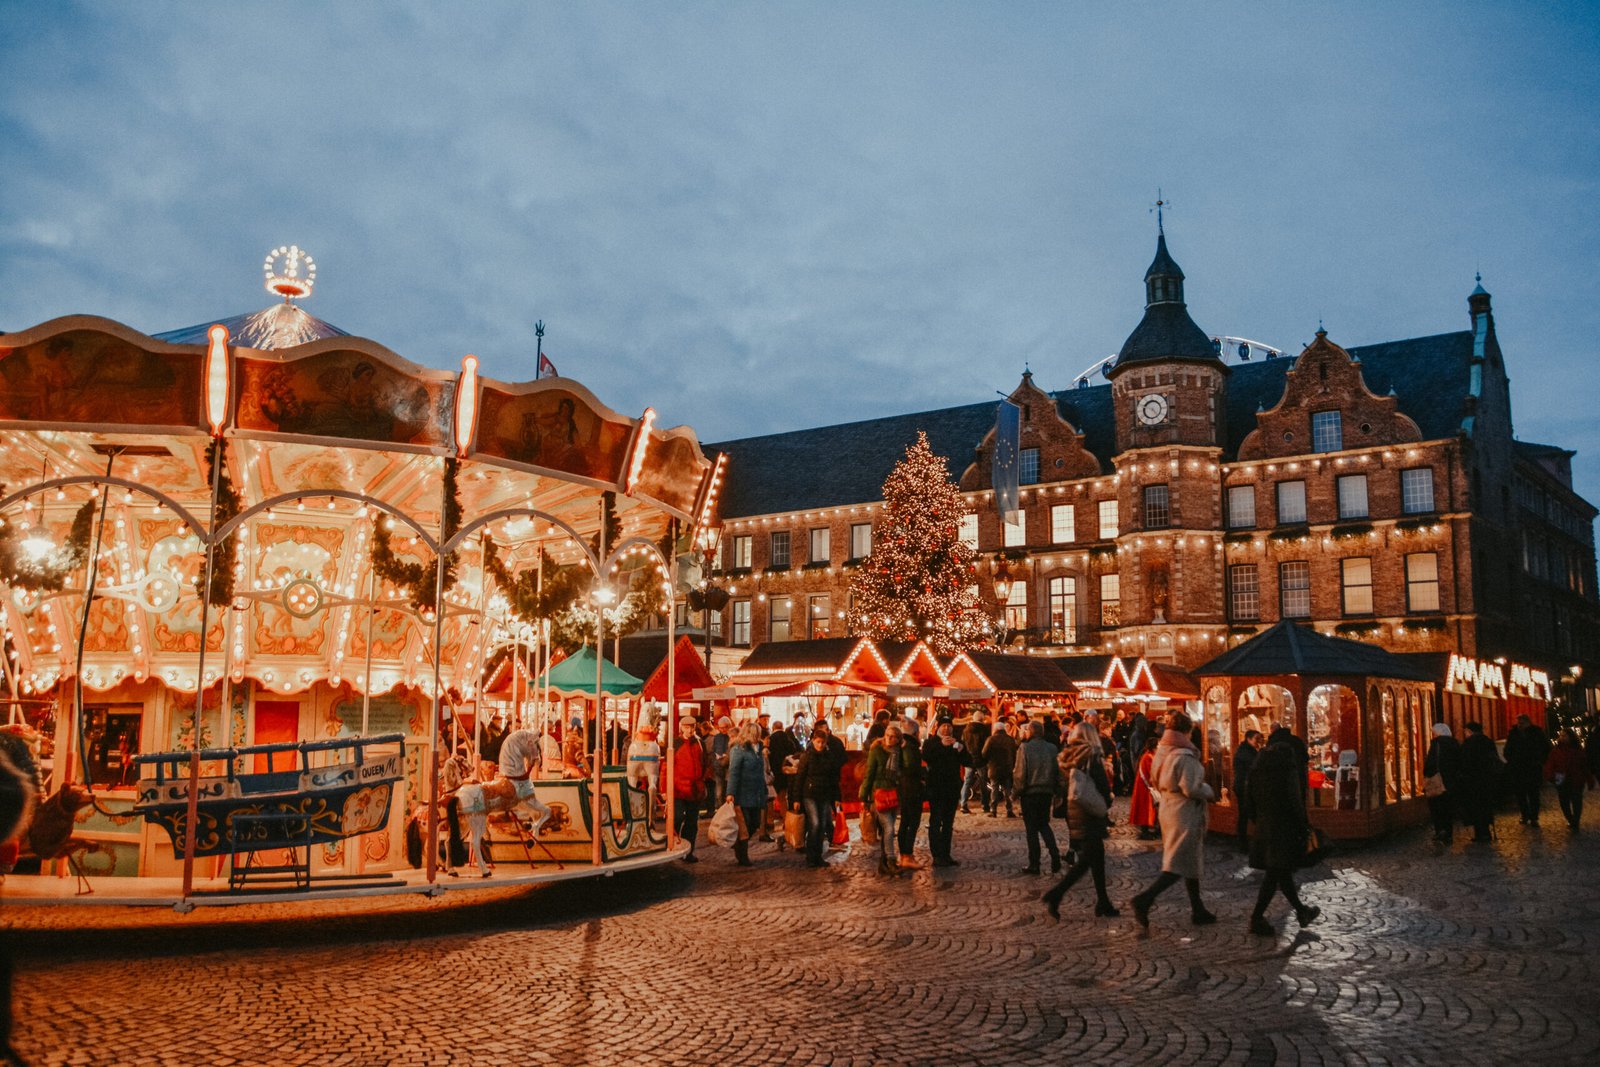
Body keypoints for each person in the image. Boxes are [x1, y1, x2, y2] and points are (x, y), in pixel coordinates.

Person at [1131, 711, 1217, 928]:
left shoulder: (1162, 751)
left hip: (1168, 808)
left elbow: (1155, 778)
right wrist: (1209, 790)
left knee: (1189, 859)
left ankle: (1198, 909)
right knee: (1178, 862)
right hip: (1184, 811)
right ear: (1187, 731)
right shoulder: (1183, 756)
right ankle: (1144, 899)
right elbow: (1191, 787)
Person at [1245, 729, 1321, 936]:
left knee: (1279, 872)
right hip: (1283, 827)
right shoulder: (1287, 767)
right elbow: (1295, 800)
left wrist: (1256, 819)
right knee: (1276, 872)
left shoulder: (1257, 766)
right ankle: (1257, 918)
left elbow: (1248, 798)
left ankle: (1301, 911)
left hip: (1264, 826)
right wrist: (1302, 824)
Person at [1041, 722, 1118, 919]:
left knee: (1095, 858)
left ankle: (1103, 902)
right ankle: (1056, 894)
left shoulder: (1068, 754)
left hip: (1074, 810)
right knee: (1087, 861)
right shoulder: (1090, 756)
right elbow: (1101, 784)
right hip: (1090, 811)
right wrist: (1108, 798)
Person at [860, 725, 914, 877]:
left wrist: (905, 748)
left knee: (887, 831)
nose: (889, 739)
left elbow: (908, 765)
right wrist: (864, 796)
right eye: (887, 735)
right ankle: (890, 860)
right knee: (889, 828)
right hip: (879, 793)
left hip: (894, 793)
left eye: (893, 736)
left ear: (898, 739)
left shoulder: (899, 752)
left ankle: (884, 864)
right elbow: (869, 773)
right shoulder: (876, 750)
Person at [1012, 720, 1063, 876]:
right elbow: (1057, 772)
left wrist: (1016, 792)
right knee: (1044, 825)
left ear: (1031, 732)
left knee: (1032, 830)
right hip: (1046, 792)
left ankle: (1035, 863)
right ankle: (1055, 855)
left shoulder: (1025, 748)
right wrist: (1056, 790)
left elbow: (1020, 773)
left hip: (1030, 793)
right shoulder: (1052, 748)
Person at [922, 718, 965, 867]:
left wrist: (961, 749)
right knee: (935, 822)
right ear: (938, 727)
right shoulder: (931, 742)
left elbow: (967, 760)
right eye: (943, 725)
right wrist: (941, 745)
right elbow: (927, 757)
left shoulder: (956, 742)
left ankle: (946, 854)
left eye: (949, 726)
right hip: (936, 788)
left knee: (948, 823)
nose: (946, 728)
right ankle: (937, 855)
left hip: (952, 789)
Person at [791, 729, 837, 867]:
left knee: (822, 825)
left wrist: (836, 797)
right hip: (809, 794)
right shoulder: (807, 756)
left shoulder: (828, 756)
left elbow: (833, 779)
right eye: (818, 742)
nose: (820, 745)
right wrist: (796, 798)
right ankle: (811, 856)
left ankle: (818, 856)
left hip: (824, 794)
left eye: (823, 742)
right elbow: (800, 777)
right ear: (813, 741)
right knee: (815, 823)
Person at [725, 723, 766, 867]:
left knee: (755, 823)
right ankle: (742, 854)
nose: (757, 737)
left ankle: (739, 845)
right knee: (745, 824)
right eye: (755, 734)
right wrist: (730, 793)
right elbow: (734, 772)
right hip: (742, 793)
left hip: (756, 792)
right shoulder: (739, 749)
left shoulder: (759, 749)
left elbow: (761, 772)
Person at [1503, 714, 1552, 825]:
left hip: (1533, 767)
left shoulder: (1536, 733)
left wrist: (1540, 761)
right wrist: (1511, 760)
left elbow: (1546, 748)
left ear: (1528, 723)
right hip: (1518, 768)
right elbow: (1508, 749)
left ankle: (1534, 817)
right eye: (1519, 723)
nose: (1520, 725)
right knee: (1520, 794)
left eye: (1522, 723)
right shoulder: (1514, 733)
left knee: (1533, 793)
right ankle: (1525, 815)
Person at [1544, 728, 1596, 832]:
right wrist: (1551, 776)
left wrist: (1589, 779)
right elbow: (1550, 764)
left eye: (1565, 736)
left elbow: (1584, 766)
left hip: (1576, 780)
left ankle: (1575, 821)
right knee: (1564, 802)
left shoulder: (1578, 751)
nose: (1562, 737)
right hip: (1561, 780)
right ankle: (1571, 819)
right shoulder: (1556, 751)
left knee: (1576, 801)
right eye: (1561, 735)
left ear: (1570, 737)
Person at [1458, 721, 1501, 843]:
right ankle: (1486, 831)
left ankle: (1479, 833)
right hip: (1487, 780)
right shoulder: (1488, 742)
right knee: (1485, 805)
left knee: (1474, 807)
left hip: (1472, 781)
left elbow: (1464, 762)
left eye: (1466, 731)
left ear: (1470, 731)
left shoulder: (1468, 743)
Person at [1422, 722, 1464, 843]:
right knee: (1447, 808)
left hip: (1438, 780)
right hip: (1451, 781)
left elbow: (1430, 763)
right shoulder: (1454, 743)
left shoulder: (1436, 744)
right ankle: (1448, 832)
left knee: (1437, 807)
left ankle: (1440, 831)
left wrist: (1427, 775)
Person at [672, 719, 707, 862]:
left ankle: (688, 851)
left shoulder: (700, 743)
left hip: (695, 789)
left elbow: (705, 763)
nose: (690, 730)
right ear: (682, 728)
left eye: (692, 727)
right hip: (678, 788)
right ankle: (674, 844)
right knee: (677, 817)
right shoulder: (676, 744)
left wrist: (701, 780)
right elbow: (667, 766)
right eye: (687, 727)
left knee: (692, 822)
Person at [896, 717, 927, 869]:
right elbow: (910, 767)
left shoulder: (902, 744)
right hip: (911, 788)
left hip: (904, 787)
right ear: (915, 732)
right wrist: (922, 776)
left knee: (905, 822)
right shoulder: (910, 746)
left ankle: (904, 855)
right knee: (911, 822)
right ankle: (906, 855)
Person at [983, 718, 1019, 818]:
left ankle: (993, 810)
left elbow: (984, 753)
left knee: (994, 788)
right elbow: (1015, 754)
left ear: (995, 729)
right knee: (1007, 790)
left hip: (994, 767)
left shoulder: (991, 739)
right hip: (1007, 768)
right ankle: (1009, 809)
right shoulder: (1010, 739)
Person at [1232, 729, 1262, 851]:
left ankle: (1245, 842)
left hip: (1245, 786)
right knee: (1246, 814)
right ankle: (1243, 843)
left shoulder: (1247, 750)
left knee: (1247, 814)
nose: (1258, 742)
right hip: (1244, 787)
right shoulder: (1245, 752)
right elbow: (1254, 766)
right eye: (1256, 739)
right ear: (1249, 739)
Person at [960, 710, 993, 814]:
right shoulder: (985, 730)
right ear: (982, 718)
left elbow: (963, 744)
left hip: (969, 760)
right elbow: (987, 745)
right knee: (983, 783)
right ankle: (985, 805)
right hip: (981, 760)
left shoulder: (966, 730)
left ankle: (963, 804)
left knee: (967, 782)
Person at [1129, 735, 1160, 840]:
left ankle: (1147, 829)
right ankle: (1145, 831)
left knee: (1147, 809)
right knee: (1145, 809)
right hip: (1145, 788)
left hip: (1144, 786)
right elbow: (1152, 773)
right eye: (1158, 745)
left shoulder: (1149, 755)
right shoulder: (1148, 757)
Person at [707, 716, 733, 817]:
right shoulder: (717, 737)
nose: (723, 730)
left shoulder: (731, 736)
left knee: (727, 791)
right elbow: (714, 750)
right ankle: (721, 811)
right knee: (719, 792)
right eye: (721, 727)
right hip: (718, 767)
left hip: (728, 768)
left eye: (725, 727)